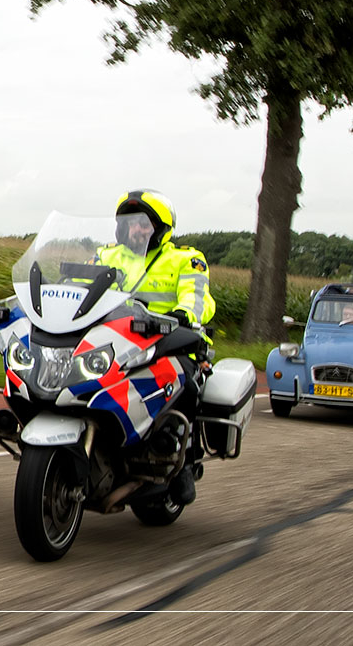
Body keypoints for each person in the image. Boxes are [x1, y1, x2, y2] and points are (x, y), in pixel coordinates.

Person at [93, 189, 216, 506]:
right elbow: (76, 289)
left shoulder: (186, 259)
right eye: (131, 223)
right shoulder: (106, 256)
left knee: (184, 386)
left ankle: (182, 461)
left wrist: (183, 315)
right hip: (115, 344)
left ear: (160, 228)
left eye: (144, 223)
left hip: (171, 345)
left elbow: (198, 298)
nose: (136, 229)